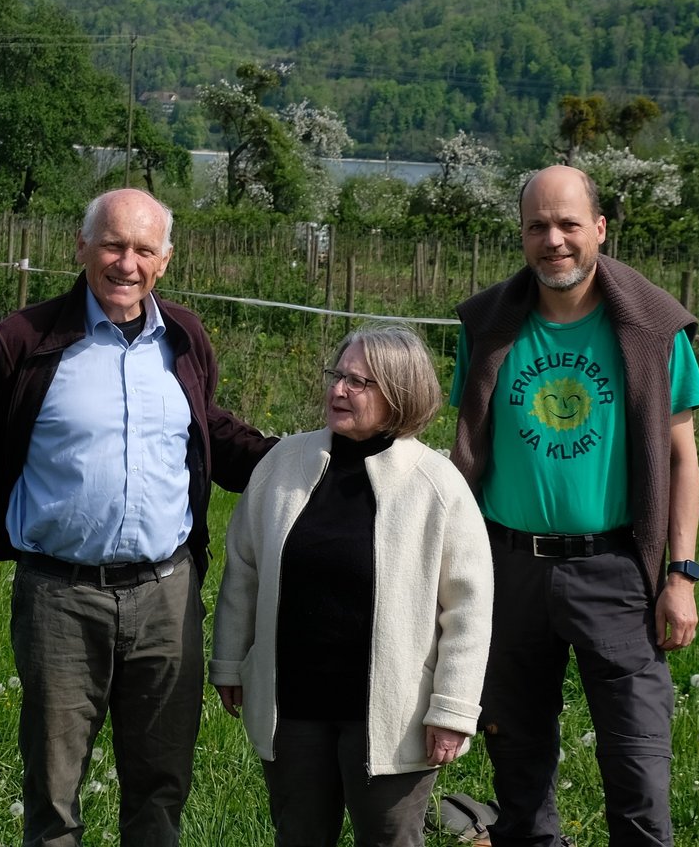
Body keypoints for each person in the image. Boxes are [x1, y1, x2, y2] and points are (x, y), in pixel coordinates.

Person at [0, 187, 275, 847]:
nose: (127, 262)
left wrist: (299, 461)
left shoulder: (183, 337)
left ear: (165, 260)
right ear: (82, 246)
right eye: (114, 244)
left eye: (144, 249)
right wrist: (11, 538)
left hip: (166, 596)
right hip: (60, 597)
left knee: (160, 785)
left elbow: (205, 427)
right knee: (54, 787)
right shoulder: (25, 340)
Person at [449, 164, 699, 847]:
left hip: (618, 572)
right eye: (537, 225)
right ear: (522, 235)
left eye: (568, 223)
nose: (553, 240)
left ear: (599, 227)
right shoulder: (485, 328)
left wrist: (679, 574)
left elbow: (683, 457)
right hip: (508, 569)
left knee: (638, 770)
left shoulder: (652, 331)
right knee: (518, 772)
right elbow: (463, 452)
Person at [210, 324, 494, 847]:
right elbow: (242, 571)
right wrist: (230, 660)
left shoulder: (437, 485)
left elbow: (468, 610)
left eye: (359, 382)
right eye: (337, 375)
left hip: (393, 714)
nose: (339, 390)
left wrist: (453, 708)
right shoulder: (282, 465)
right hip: (293, 707)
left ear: (399, 394)